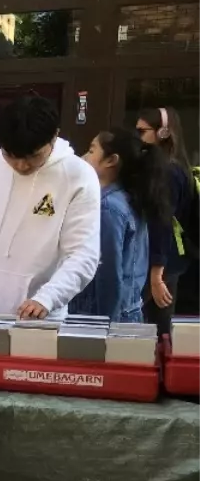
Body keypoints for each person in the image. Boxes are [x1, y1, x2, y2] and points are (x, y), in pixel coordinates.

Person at [0, 94, 100, 321]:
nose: (21, 165)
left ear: (54, 136)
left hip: (39, 319)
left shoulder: (78, 175)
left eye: (33, 156)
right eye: (10, 155)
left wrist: (47, 298)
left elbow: (83, 253)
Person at [69, 129, 169, 323]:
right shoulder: (128, 199)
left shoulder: (108, 208)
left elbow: (109, 275)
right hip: (126, 311)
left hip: (103, 317)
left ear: (111, 160)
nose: (84, 156)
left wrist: (105, 327)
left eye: (91, 150)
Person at [135, 107, 197, 334]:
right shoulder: (177, 167)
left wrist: (155, 275)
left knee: (154, 329)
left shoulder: (167, 172)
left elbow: (161, 222)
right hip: (170, 261)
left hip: (162, 263)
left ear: (163, 133)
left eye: (142, 132)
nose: (138, 138)